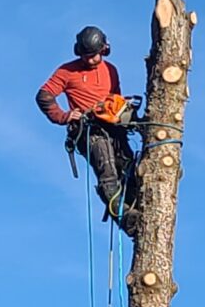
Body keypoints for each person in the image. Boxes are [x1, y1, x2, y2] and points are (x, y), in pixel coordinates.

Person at [36, 25, 138, 232]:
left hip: (113, 128)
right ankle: (125, 218)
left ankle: (136, 205)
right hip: (90, 130)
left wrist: (123, 111)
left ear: (104, 50)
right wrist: (63, 116)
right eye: (87, 56)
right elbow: (44, 96)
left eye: (95, 55)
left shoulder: (111, 70)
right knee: (107, 172)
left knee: (129, 168)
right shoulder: (67, 71)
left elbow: (115, 98)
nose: (91, 60)